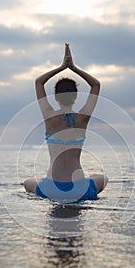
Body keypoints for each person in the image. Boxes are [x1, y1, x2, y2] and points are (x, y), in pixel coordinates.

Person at [24, 43, 108, 203]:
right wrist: (73, 67)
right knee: (102, 178)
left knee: (28, 182)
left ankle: (45, 182)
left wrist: (62, 66)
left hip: (51, 189)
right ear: (75, 97)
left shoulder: (49, 116)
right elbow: (96, 85)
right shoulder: (82, 118)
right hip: (79, 190)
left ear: (56, 97)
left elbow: (39, 82)